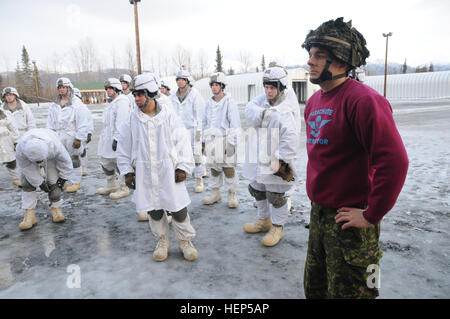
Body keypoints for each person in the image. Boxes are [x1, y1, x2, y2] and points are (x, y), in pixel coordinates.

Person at [301, 17, 409, 299]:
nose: (310, 62)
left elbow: (394, 161)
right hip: (320, 214)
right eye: (310, 54)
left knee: (359, 292)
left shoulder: (363, 101)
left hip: (353, 219)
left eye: (319, 56)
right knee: (316, 289)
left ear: (340, 61)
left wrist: (373, 214)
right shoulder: (313, 102)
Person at [116, 73, 198, 262]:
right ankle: (162, 240)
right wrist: (127, 172)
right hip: (145, 172)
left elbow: (182, 141)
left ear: (151, 94)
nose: (136, 99)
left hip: (169, 170)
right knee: (153, 208)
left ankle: (185, 241)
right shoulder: (131, 121)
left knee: (178, 207)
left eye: (140, 94)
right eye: (134, 95)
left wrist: (183, 167)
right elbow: (123, 148)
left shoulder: (168, 117)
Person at [242, 65, 301, 247]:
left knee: (275, 194)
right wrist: (263, 112)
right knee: (257, 189)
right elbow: (249, 111)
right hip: (258, 156)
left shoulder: (285, 109)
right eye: (266, 87)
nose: (268, 91)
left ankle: (277, 227)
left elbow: (290, 136)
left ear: (281, 87)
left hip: (275, 159)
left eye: (272, 87)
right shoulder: (262, 104)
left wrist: (282, 160)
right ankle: (263, 220)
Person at [15, 128, 73, 230]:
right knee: (27, 183)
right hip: (28, 162)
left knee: (54, 184)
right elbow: (26, 167)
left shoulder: (55, 146)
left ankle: (56, 209)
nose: (38, 163)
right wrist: (40, 182)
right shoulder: (21, 149)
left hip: (51, 159)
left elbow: (65, 161)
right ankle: (29, 215)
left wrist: (63, 178)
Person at [201, 72, 241, 208]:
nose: (214, 87)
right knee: (214, 169)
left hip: (225, 139)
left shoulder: (229, 102)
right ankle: (215, 193)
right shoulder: (208, 104)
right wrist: (202, 140)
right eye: (212, 85)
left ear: (222, 86)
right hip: (211, 140)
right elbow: (204, 122)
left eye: (217, 85)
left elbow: (235, 124)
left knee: (228, 168)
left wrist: (231, 143)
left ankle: (231, 194)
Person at [46, 77, 91, 193]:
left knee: (74, 159)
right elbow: (50, 122)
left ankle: (76, 182)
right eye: (60, 88)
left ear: (69, 88)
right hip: (58, 135)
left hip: (71, 135)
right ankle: (64, 180)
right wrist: (50, 135)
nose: (62, 90)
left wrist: (79, 138)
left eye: (64, 87)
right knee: (60, 159)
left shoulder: (77, 104)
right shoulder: (54, 105)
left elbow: (83, 122)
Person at [170, 69, 206, 193]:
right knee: (178, 156)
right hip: (178, 131)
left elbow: (200, 115)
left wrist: (199, 133)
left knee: (196, 155)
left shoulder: (195, 95)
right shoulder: (172, 97)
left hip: (192, 130)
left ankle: (199, 179)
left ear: (187, 81)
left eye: (182, 80)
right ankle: (180, 180)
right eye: (178, 80)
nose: (180, 82)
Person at [97, 78, 130, 200]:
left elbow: (121, 122)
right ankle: (111, 185)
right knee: (105, 161)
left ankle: (124, 187)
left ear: (117, 89)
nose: (108, 91)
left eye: (111, 88)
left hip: (117, 138)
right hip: (106, 138)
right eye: (107, 89)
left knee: (119, 162)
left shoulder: (122, 102)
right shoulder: (110, 103)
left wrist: (117, 139)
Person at [1, 87, 37, 186]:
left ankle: (35, 173)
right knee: (11, 158)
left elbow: (31, 121)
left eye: (10, 94)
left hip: (23, 133)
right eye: (7, 95)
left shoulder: (24, 107)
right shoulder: (2, 109)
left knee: (29, 155)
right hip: (9, 136)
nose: (9, 97)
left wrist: (31, 134)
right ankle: (16, 178)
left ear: (15, 95)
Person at [73, 88, 94, 176]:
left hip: (83, 132)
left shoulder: (83, 108)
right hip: (73, 133)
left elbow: (89, 121)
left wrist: (89, 133)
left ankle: (83, 167)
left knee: (82, 152)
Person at [0, 108, 20, 186]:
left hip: (6, 141)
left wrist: (15, 141)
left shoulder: (5, 115)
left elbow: (13, 129)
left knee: (11, 161)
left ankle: (15, 178)